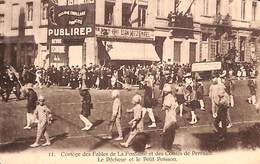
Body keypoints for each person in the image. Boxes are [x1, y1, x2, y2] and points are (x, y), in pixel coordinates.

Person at [161, 84, 178, 151]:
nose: (164, 92)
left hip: (169, 115)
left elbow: (167, 106)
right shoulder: (172, 97)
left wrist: (163, 107)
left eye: (164, 91)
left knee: (168, 130)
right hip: (173, 114)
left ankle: (167, 146)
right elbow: (176, 105)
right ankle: (168, 145)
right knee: (171, 131)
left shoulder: (167, 97)